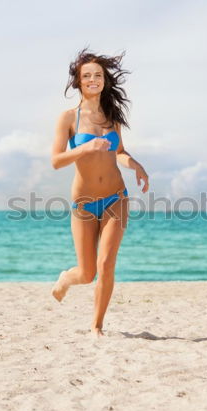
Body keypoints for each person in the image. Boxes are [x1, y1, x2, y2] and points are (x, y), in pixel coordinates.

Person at [50, 47, 149, 337]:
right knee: (87, 273)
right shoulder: (69, 118)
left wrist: (136, 165)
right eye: (87, 76)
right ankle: (67, 279)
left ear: (105, 80)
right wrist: (84, 147)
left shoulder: (112, 117)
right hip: (83, 203)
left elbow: (118, 152)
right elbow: (56, 161)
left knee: (106, 264)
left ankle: (97, 327)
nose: (93, 79)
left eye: (98, 75)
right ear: (78, 82)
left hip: (116, 198)